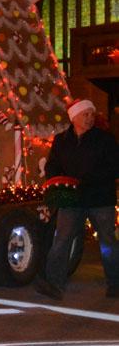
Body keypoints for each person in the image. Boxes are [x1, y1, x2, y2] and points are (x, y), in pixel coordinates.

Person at [34, 99, 119, 300]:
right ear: (74, 117)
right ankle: (54, 284)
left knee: (107, 242)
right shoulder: (62, 140)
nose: (90, 118)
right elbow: (52, 165)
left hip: (100, 199)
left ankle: (115, 283)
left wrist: (89, 180)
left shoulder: (105, 139)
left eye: (92, 114)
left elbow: (115, 167)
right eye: (85, 114)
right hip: (71, 199)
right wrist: (57, 181)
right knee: (62, 240)